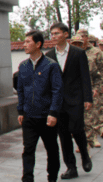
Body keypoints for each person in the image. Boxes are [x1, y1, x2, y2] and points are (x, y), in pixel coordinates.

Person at [45, 23, 93, 180]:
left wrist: (88, 98)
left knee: (77, 129)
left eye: (57, 33)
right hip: (58, 102)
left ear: (66, 34)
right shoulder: (49, 55)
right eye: (52, 34)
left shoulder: (78, 53)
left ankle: (85, 155)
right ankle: (71, 167)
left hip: (76, 99)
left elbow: (85, 77)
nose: (54, 36)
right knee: (63, 135)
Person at [17, 31, 63, 182]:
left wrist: (54, 113)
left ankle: (52, 177)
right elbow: (21, 90)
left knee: (52, 149)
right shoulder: (23, 66)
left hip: (47, 116)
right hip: (29, 117)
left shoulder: (51, 66)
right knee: (28, 149)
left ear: (38, 44)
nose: (24, 45)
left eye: (28, 42)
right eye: (24, 42)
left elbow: (57, 91)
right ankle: (27, 178)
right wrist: (21, 110)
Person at [76, 31, 103, 148]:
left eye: (82, 37)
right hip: (76, 89)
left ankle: (93, 137)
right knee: (80, 117)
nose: (79, 40)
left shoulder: (96, 52)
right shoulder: (72, 52)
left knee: (93, 114)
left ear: (86, 38)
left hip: (92, 87)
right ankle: (82, 140)